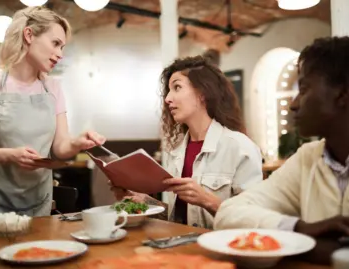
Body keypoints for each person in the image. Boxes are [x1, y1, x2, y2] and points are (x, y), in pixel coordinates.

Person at [214, 36, 349, 268]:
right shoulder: (308, 159)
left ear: (343, 93)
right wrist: (301, 229)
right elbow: (228, 214)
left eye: (303, 89)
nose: (294, 104)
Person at [0, 6, 105, 225]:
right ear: (29, 35)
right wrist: (9, 155)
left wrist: (77, 143)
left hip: (38, 206)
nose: (60, 54)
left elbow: (60, 147)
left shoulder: (53, 88)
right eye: (55, 43)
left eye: (63, 46)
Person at [112, 56, 263, 229]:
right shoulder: (174, 150)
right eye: (168, 90)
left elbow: (253, 220)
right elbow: (179, 217)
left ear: (203, 93)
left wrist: (208, 201)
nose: (168, 98)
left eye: (177, 87)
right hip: (180, 248)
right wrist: (144, 201)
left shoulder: (240, 147)